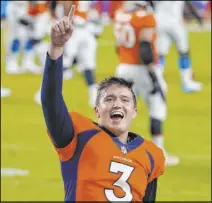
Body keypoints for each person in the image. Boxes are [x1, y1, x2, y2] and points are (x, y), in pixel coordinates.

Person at [41, 5, 165, 201]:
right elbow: (50, 101)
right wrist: (55, 49)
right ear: (97, 110)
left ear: (134, 111)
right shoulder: (79, 136)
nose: (117, 104)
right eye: (109, 99)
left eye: (125, 100)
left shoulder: (151, 155)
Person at [113, 1, 179, 166]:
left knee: (120, 111)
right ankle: (159, 153)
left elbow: (117, 46)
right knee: (157, 104)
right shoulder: (147, 17)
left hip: (123, 67)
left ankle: (112, 150)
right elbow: (144, 47)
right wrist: (153, 75)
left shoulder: (121, 14)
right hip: (141, 69)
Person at [153, 1, 203, 93]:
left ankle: (158, 82)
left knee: (160, 54)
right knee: (184, 52)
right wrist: (198, 16)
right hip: (175, 22)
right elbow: (188, 4)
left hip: (159, 22)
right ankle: (187, 82)